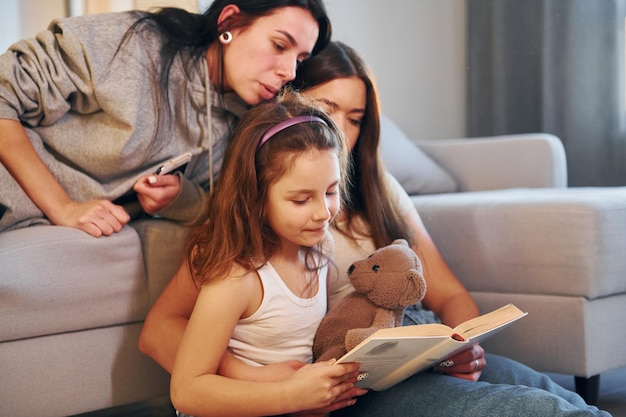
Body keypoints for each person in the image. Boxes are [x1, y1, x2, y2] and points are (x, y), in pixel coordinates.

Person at [141, 42, 611, 416]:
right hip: (320, 390)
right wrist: (260, 380)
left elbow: (339, 334)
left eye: (330, 192)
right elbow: (189, 381)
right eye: (329, 110)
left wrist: (449, 346)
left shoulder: (322, 242)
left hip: (367, 361)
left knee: (543, 391)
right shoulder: (238, 266)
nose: (323, 211)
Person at [0, 1, 330, 237]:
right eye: (278, 45)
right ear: (229, 23)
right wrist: (64, 207)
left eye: (300, 59)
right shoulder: (130, 43)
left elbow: (223, 206)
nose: (289, 71)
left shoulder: (243, 120)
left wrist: (178, 198)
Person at [169, 90, 360, 416]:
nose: (323, 212)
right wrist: (290, 396)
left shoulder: (319, 249)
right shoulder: (238, 275)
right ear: (256, 197)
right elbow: (187, 390)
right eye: (301, 200)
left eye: (330, 191)